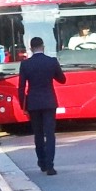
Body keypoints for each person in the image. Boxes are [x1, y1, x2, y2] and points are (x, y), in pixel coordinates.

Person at [18, 36, 67, 175]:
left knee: (38, 134)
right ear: (43, 46)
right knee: (50, 134)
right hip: (49, 102)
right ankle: (50, 166)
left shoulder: (26, 64)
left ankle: (42, 162)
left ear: (31, 48)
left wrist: (23, 105)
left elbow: (21, 87)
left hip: (33, 103)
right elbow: (62, 80)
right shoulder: (51, 62)